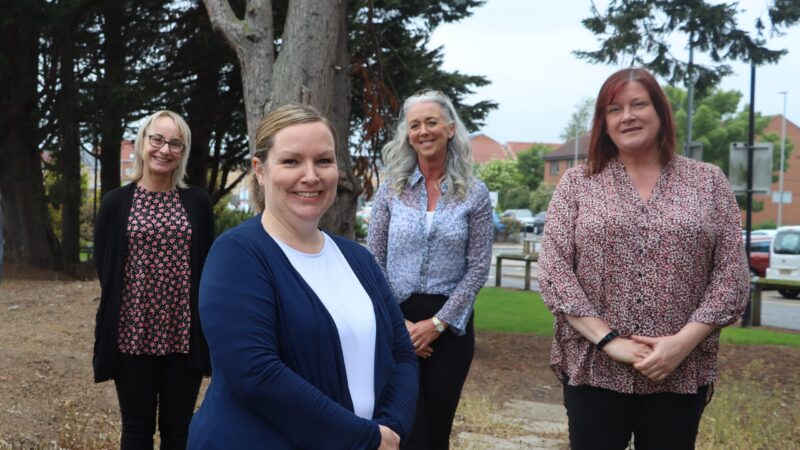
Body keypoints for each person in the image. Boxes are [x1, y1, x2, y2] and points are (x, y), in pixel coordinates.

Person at [537, 67, 750, 450]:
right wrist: (609, 341)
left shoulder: (708, 182)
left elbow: (731, 277)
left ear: (660, 112)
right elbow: (554, 270)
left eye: (638, 104)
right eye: (614, 109)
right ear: (603, 123)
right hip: (594, 368)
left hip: (678, 371)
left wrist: (681, 344)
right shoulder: (578, 183)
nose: (627, 116)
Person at [188, 104, 418, 449]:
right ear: (260, 170)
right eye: (291, 161)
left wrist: (391, 430)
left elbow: (401, 355)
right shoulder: (237, 255)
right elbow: (257, 373)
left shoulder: (358, 259)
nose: (311, 175)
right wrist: (364, 438)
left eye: (323, 160)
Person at [368, 90, 493, 449]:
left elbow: (478, 268)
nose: (423, 131)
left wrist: (436, 325)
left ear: (450, 129)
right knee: (399, 427)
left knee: (435, 432)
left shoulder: (475, 193)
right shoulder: (390, 191)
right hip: (395, 323)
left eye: (431, 122)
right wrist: (400, 325)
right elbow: (373, 261)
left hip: (449, 330)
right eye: (415, 125)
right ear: (407, 134)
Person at [93, 110, 214, 449]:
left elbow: (206, 262)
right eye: (157, 139)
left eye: (175, 143)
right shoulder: (116, 202)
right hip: (132, 334)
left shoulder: (198, 202)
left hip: (183, 334)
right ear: (142, 143)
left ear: (183, 152)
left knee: (180, 430)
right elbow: (106, 267)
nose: (165, 149)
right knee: (136, 430)